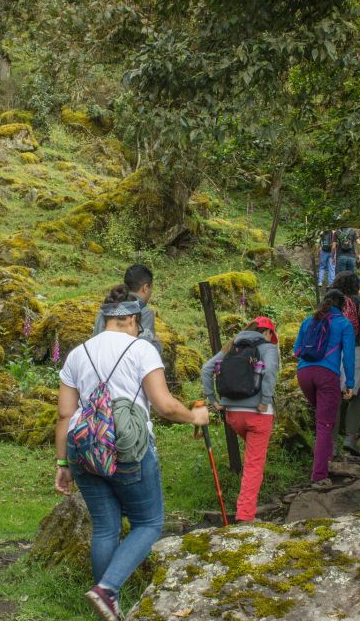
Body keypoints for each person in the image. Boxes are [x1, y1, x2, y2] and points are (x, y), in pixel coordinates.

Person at [56, 285, 209, 621]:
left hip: (84, 450)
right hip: (129, 450)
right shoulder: (141, 350)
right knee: (149, 523)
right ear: (126, 319)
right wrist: (194, 416)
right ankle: (107, 589)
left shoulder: (77, 353)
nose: (139, 328)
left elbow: (65, 415)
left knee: (105, 527)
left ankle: (107, 604)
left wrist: (62, 462)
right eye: (137, 321)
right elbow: (165, 406)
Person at [200, 317, 280, 522]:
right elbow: (269, 372)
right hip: (258, 414)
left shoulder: (232, 344)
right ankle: (245, 515)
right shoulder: (268, 348)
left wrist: (213, 400)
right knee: (254, 464)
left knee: (253, 459)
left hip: (233, 415)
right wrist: (265, 399)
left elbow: (206, 369)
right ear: (268, 332)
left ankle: (246, 506)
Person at [294, 289, 356, 487]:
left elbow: (297, 350)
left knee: (323, 417)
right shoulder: (344, 324)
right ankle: (319, 475)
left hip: (303, 373)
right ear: (343, 306)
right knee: (325, 423)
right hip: (327, 375)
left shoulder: (308, 321)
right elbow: (349, 357)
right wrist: (351, 383)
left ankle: (326, 457)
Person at [330, 271, 360, 456]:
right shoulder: (358, 301)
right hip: (355, 350)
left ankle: (331, 443)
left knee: (334, 396)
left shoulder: (330, 299)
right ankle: (350, 438)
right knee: (357, 396)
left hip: (332, 352)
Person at [93, 264, 162, 355]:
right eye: (151, 288)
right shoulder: (145, 313)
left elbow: (94, 339)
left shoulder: (106, 308)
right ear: (145, 288)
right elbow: (145, 352)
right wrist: (157, 344)